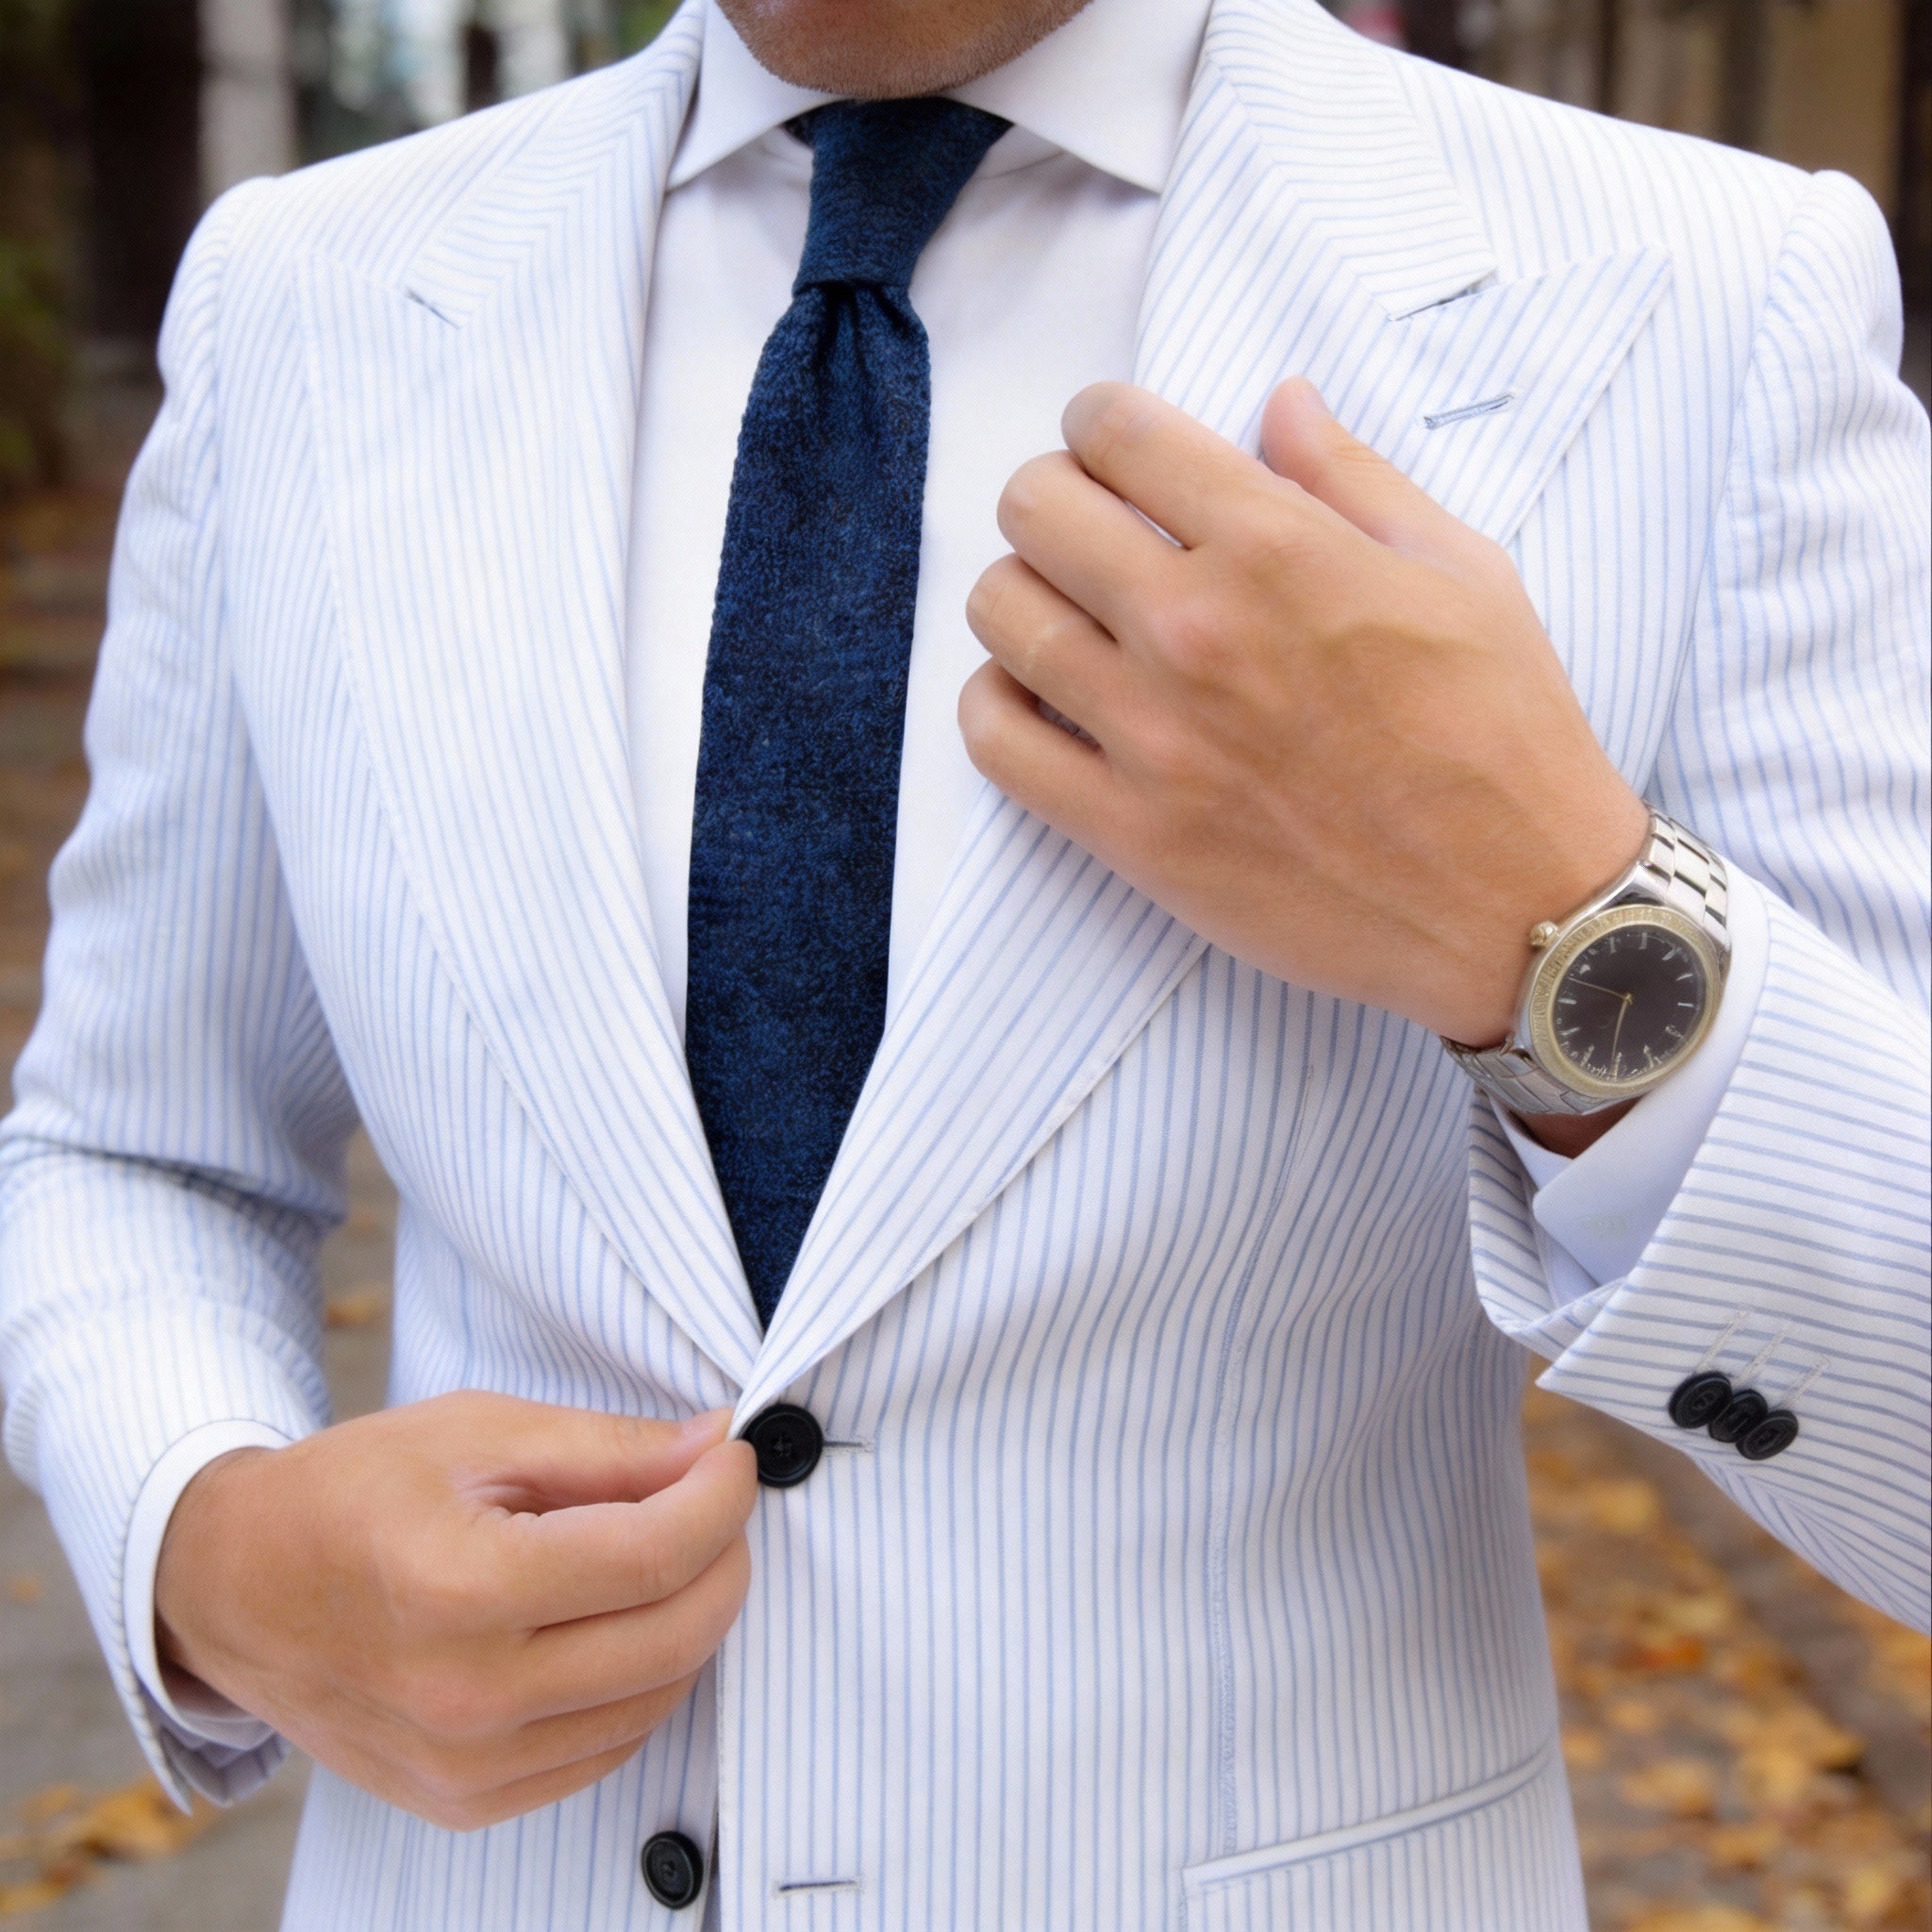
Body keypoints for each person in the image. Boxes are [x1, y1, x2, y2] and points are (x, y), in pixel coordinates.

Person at [1, 0, 1925, 1924]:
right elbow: (132, 1144)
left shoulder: (1705, 294)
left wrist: (1562, 927)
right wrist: (211, 1546)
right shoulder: (302, 296)